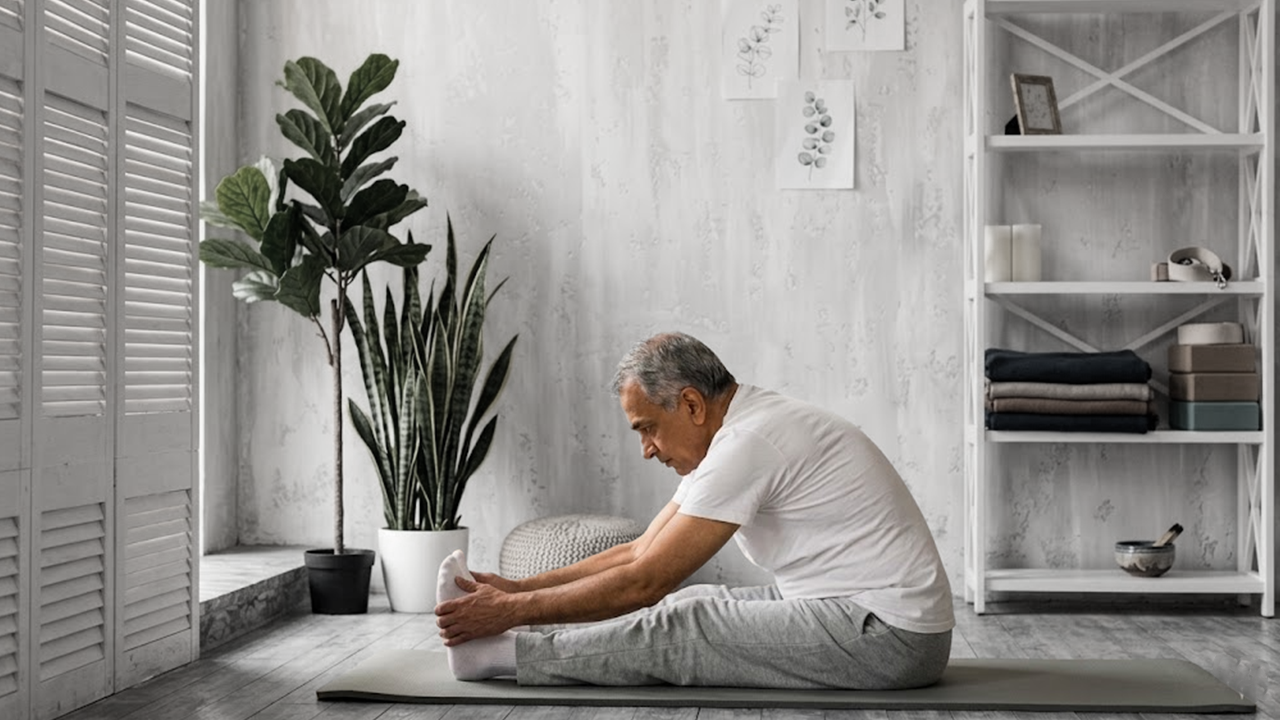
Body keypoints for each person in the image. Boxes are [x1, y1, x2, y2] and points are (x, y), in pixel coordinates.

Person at [434, 331, 954, 688]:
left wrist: (510, 610)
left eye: (647, 428)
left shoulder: (748, 443)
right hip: (860, 614)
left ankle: (498, 655)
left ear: (690, 405)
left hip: (889, 636)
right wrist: (516, 589)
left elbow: (645, 582)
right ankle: (520, 640)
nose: (647, 449)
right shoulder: (741, 429)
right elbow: (639, 551)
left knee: (688, 625)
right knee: (696, 599)